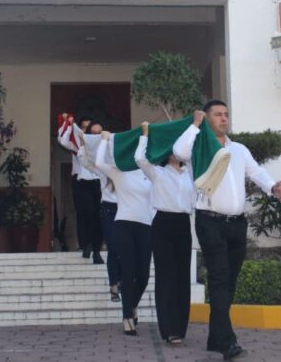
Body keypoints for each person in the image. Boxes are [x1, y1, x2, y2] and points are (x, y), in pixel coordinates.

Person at [173, 101, 281, 360]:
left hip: (237, 224)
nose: (224, 119)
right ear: (207, 117)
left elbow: (256, 171)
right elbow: (178, 152)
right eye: (218, 114)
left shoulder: (239, 149)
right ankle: (227, 342)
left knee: (229, 282)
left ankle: (215, 337)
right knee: (221, 279)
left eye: (226, 114)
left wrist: (272, 187)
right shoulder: (199, 147)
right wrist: (194, 125)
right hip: (209, 222)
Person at [135, 121, 196, 345]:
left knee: (182, 277)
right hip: (162, 223)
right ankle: (169, 329)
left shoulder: (189, 172)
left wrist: (196, 127)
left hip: (183, 224)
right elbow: (140, 159)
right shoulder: (158, 172)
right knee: (166, 276)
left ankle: (180, 327)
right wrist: (144, 135)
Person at [96, 130, 154, 335]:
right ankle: (127, 316)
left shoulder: (148, 170)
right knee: (128, 273)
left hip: (145, 227)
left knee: (144, 276)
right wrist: (103, 141)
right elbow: (98, 163)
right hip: (123, 225)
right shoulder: (118, 171)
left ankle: (132, 305)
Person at [77, 128, 121, 302]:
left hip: (126, 211)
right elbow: (87, 163)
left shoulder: (128, 171)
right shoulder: (105, 171)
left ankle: (122, 280)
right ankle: (113, 285)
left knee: (123, 250)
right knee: (113, 248)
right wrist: (83, 145)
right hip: (109, 211)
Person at [59, 115, 104, 264]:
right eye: (83, 128)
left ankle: (96, 248)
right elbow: (63, 141)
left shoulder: (104, 146)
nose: (95, 136)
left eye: (99, 133)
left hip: (100, 184)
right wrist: (70, 126)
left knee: (98, 216)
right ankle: (86, 245)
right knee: (86, 213)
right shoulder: (79, 147)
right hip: (82, 183)